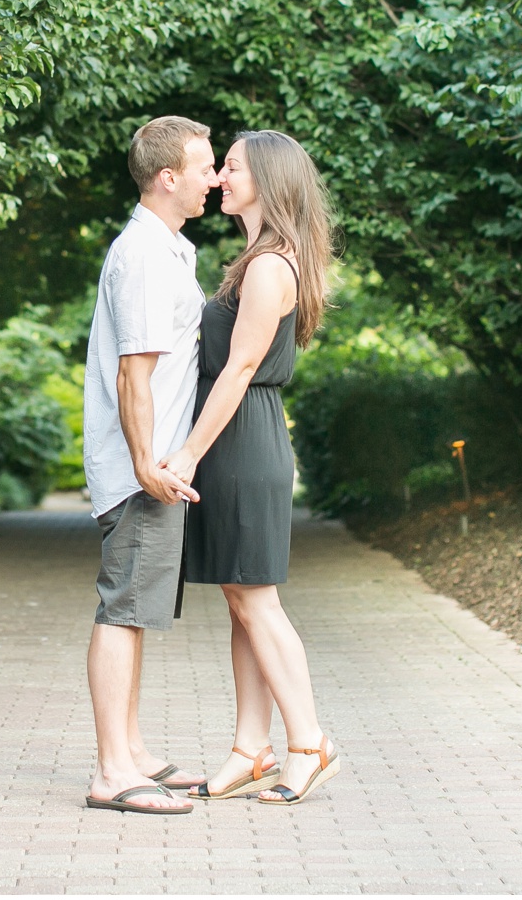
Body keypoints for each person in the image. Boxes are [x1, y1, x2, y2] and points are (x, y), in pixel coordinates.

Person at [161, 130, 343, 806]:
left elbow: (237, 368)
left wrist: (187, 453)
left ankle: (307, 741)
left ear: (265, 178)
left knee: (257, 601)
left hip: (242, 441)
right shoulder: (256, 258)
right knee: (241, 599)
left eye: (230, 167)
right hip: (238, 438)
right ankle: (251, 747)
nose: (218, 177)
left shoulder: (270, 265)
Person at [80, 116, 218, 814]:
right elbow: (134, 375)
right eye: (204, 166)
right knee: (122, 609)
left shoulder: (171, 250)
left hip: (158, 462)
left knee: (135, 612)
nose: (214, 177)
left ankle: (131, 751)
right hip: (145, 468)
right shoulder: (139, 254)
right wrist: (143, 465)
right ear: (168, 178)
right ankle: (111, 771)